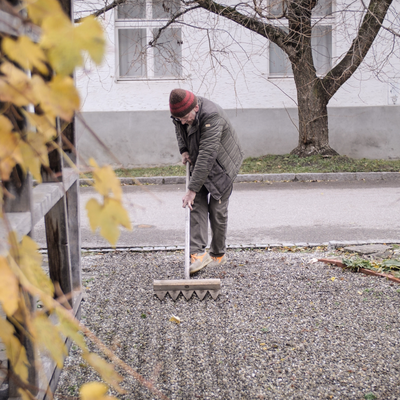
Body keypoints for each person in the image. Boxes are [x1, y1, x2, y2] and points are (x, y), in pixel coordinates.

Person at [169, 88, 244, 274]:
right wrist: (184, 149)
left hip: (222, 166)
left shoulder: (212, 116)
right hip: (200, 162)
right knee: (196, 206)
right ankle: (198, 254)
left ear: (195, 107)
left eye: (186, 117)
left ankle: (218, 254)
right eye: (179, 118)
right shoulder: (180, 113)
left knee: (217, 211)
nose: (183, 121)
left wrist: (191, 189)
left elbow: (207, 154)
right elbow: (179, 128)